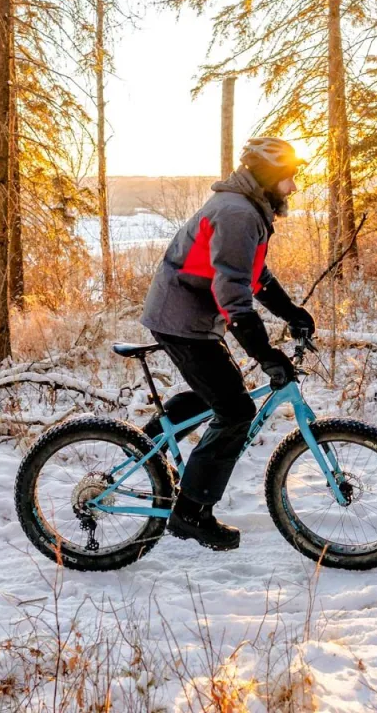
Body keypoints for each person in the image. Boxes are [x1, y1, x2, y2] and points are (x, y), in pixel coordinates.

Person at [140, 136, 316, 551]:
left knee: (217, 395)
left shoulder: (246, 210)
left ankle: (147, 448)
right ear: (270, 177)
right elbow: (233, 293)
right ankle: (191, 513)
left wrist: (291, 313)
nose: (293, 188)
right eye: (289, 179)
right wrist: (266, 353)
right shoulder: (237, 213)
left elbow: (255, 274)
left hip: (189, 317)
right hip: (181, 319)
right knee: (236, 410)